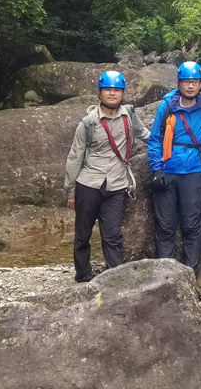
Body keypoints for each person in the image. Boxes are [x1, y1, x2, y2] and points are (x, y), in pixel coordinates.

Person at [64, 71, 150, 282]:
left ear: (123, 93)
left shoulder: (129, 115)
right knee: (83, 233)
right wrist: (71, 191)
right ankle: (83, 275)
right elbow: (75, 157)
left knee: (112, 234)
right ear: (100, 93)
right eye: (108, 90)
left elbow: (144, 134)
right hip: (89, 184)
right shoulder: (88, 123)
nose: (112, 94)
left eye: (117, 90)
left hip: (117, 185)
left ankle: (114, 276)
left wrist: (170, 144)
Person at [147, 61, 201, 277]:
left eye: (195, 82)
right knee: (165, 226)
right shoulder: (167, 106)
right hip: (168, 169)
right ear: (179, 83)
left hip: (194, 170)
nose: (190, 86)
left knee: (192, 226)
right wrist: (156, 169)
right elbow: (155, 139)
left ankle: (191, 276)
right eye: (186, 82)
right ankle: (165, 277)